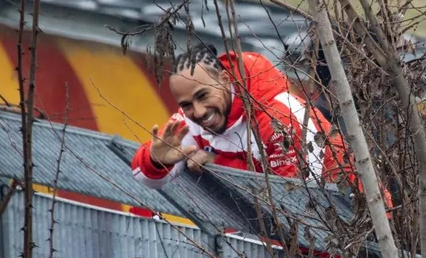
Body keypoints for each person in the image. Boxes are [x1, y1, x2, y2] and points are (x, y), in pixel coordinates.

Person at [131, 43, 351, 189]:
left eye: (203, 96)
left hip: (350, 232)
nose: (198, 111)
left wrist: (218, 165)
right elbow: (143, 178)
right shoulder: (191, 118)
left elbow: (295, 200)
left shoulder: (280, 116)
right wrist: (156, 160)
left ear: (225, 80)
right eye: (186, 105)